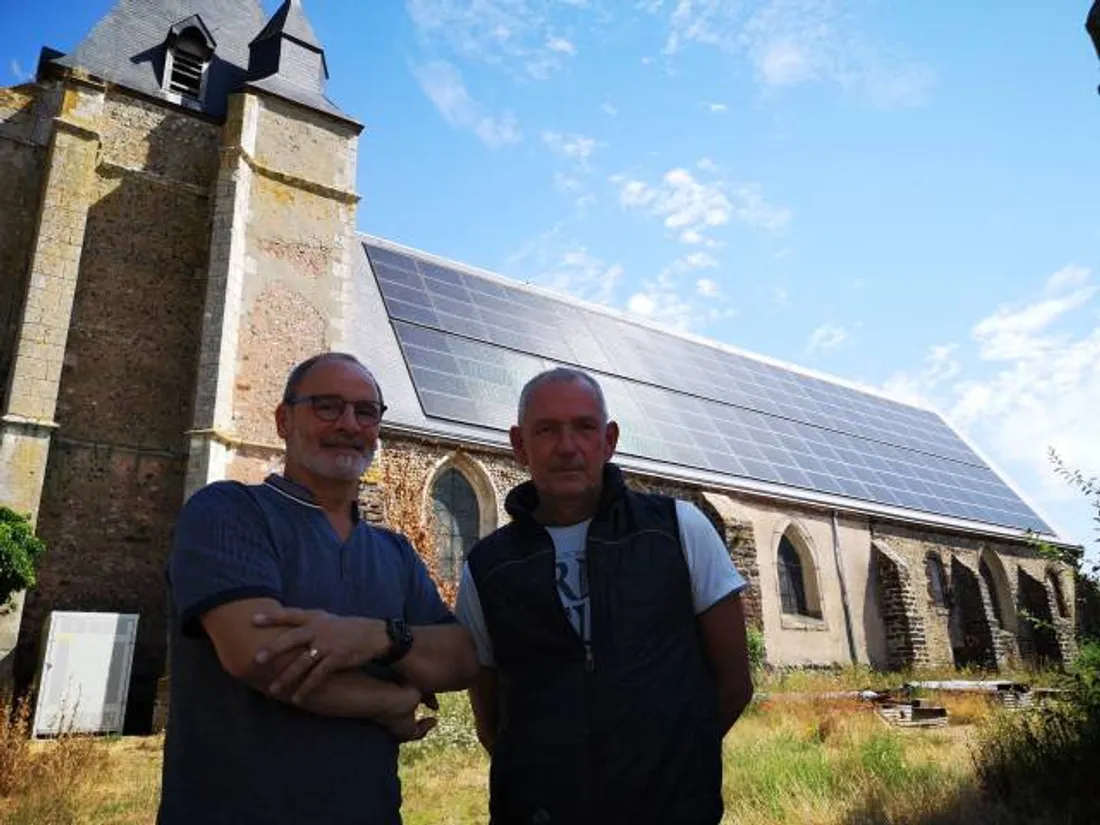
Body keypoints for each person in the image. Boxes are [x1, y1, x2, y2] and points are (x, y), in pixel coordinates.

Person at [158, 352, 478, 825]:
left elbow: (462, 658)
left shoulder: (394, 552)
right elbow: (259, 655)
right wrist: (392, 700)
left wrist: (381, 637)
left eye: (366, 412)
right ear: (283, 420)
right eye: (327, 406)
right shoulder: (228, 512)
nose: (349, 424)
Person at [456, 367, 755, 825]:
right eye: (546, 430)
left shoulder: (677, 529)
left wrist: (679, 768)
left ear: (609, 440)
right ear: (519, 445)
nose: (567, 446)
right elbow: (492, 720)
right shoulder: (487, 568)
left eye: (584, 427)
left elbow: (734, 683)